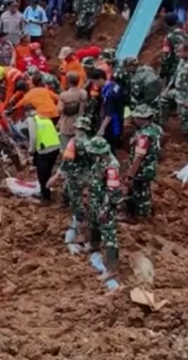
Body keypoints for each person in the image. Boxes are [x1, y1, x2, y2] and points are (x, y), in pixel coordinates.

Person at [47, 116, 92, 246]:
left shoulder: (74, 142)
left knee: (76, 200)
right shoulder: (90, 142)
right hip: (86, 175)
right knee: (70, 193)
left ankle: (77, 226)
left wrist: (55, 177)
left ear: (77, 127)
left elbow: (67, 161)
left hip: (75, 176)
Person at [86, 136, 122, 285]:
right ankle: (93, 244)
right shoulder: (99, 161)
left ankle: (112, 268)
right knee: (94, 223)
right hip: (96, 200)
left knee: (109, 234)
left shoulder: (111, 167)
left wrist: (105, 209)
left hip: (105, 204)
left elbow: (112, 191)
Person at [125, 105, 163, 220]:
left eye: (136, 117)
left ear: (142, 118)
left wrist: (130, 174)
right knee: (144, 190)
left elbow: (139, 157)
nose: (134, 119)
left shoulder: (143, 136)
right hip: (151, 166)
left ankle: (141, 215)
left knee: (140, 192)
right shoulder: (156, 129)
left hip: (142, 169)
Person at [161, 41, 188, 141]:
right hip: (177, 90)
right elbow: (176, 74)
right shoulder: (182, 60)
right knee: (163, 99)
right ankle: (163, 122)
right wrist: (168, 87)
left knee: (185, 116)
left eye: (181, 51)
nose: (178, 53)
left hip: (186, 94)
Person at [25, 104, 61, 203]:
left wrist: (31, 150)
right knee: (48, 172)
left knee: (42, 174)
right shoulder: (44, 117)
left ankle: (45, 196)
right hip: (55, 147)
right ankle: (47, 191)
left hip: (44, 149)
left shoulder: (32, 119)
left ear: (26, 113)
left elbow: (33, 137)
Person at [57, 71, 88, 146]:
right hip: (80, 124)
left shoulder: (64, 95)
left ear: (68, 81)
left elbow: (59, 110)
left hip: (66, 125)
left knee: (66, 148)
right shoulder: (83, 93)